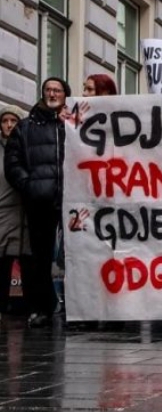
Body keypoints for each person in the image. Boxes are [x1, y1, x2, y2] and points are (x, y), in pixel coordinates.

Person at [3, 78, 70, 327]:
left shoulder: (73, 124)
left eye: (57, 90)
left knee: (76, 255)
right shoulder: (26, 127)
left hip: (73, 199)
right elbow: (12, 162)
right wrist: (29, 186)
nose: (52, 93)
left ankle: (76, 308)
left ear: (66, 95)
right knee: (39, 257)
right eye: (48, 90)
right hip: (40, 200)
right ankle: (41, 307)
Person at [0, 106, 30, 317]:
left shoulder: (27, 147)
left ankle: (29, 307)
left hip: (24, 212)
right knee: (2, 263)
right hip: (2, 213)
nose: (9, 125)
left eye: (13, 120)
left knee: (27, 262)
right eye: (5, 120)